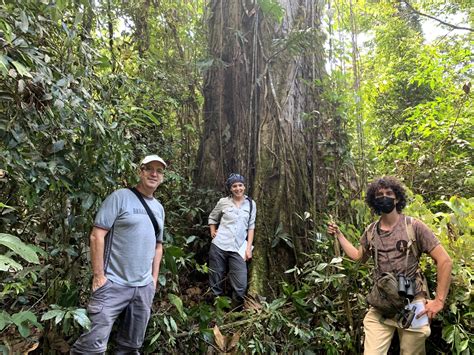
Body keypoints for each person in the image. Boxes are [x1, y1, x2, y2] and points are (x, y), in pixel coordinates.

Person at [327, 176, 452, 355]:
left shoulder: (413, 226)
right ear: (374, 200)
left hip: (412, 301)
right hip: (382, 303)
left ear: (398, 198)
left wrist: (438, 301)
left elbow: (445, 260)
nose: (384, 197)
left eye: (388, 193)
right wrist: (339, 235)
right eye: (379, 194)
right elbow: (357, 256)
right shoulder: (371, 231)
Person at [71, 155, 167, 355]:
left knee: (131, 347)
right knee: (91, 346)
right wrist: (99, 276)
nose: (153, 174)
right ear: (140, 172)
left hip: (143, 288)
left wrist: (153, 281)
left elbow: (158, 246)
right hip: (113, 283)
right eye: (149, 169)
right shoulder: (120, 197)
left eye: (158, 171)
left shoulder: (158, 208)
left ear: (162, 177)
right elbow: (97, 235)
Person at [208, 173, 256, 307]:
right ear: (230, 188)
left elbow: (251, 227)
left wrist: (248, 248)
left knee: (241, 285)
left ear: (244, 186)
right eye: (234, 186)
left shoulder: (251, 204)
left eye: (240, 185)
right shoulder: (223, 202)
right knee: (215, 279)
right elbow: (212, 217)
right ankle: (217, 309)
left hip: (238, 248)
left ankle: (234, 311)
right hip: (219, 246)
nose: (238, 188)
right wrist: (213, 231)